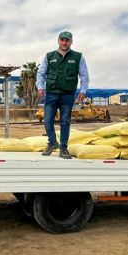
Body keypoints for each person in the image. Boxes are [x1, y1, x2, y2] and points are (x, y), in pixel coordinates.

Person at [36, 31, 89, 159]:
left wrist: (83, 90)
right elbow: (40, 73)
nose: (64, 42)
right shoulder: (49, 56)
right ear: (58, 41)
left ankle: (63, 148)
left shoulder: (78, 57)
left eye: (67, 40)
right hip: (52, 94)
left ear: (71, 42)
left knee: (65, 122)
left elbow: (84, 75)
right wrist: (40, 87)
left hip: (68, 95)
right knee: (48, 121)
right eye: (62, 40)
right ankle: (53, 143)